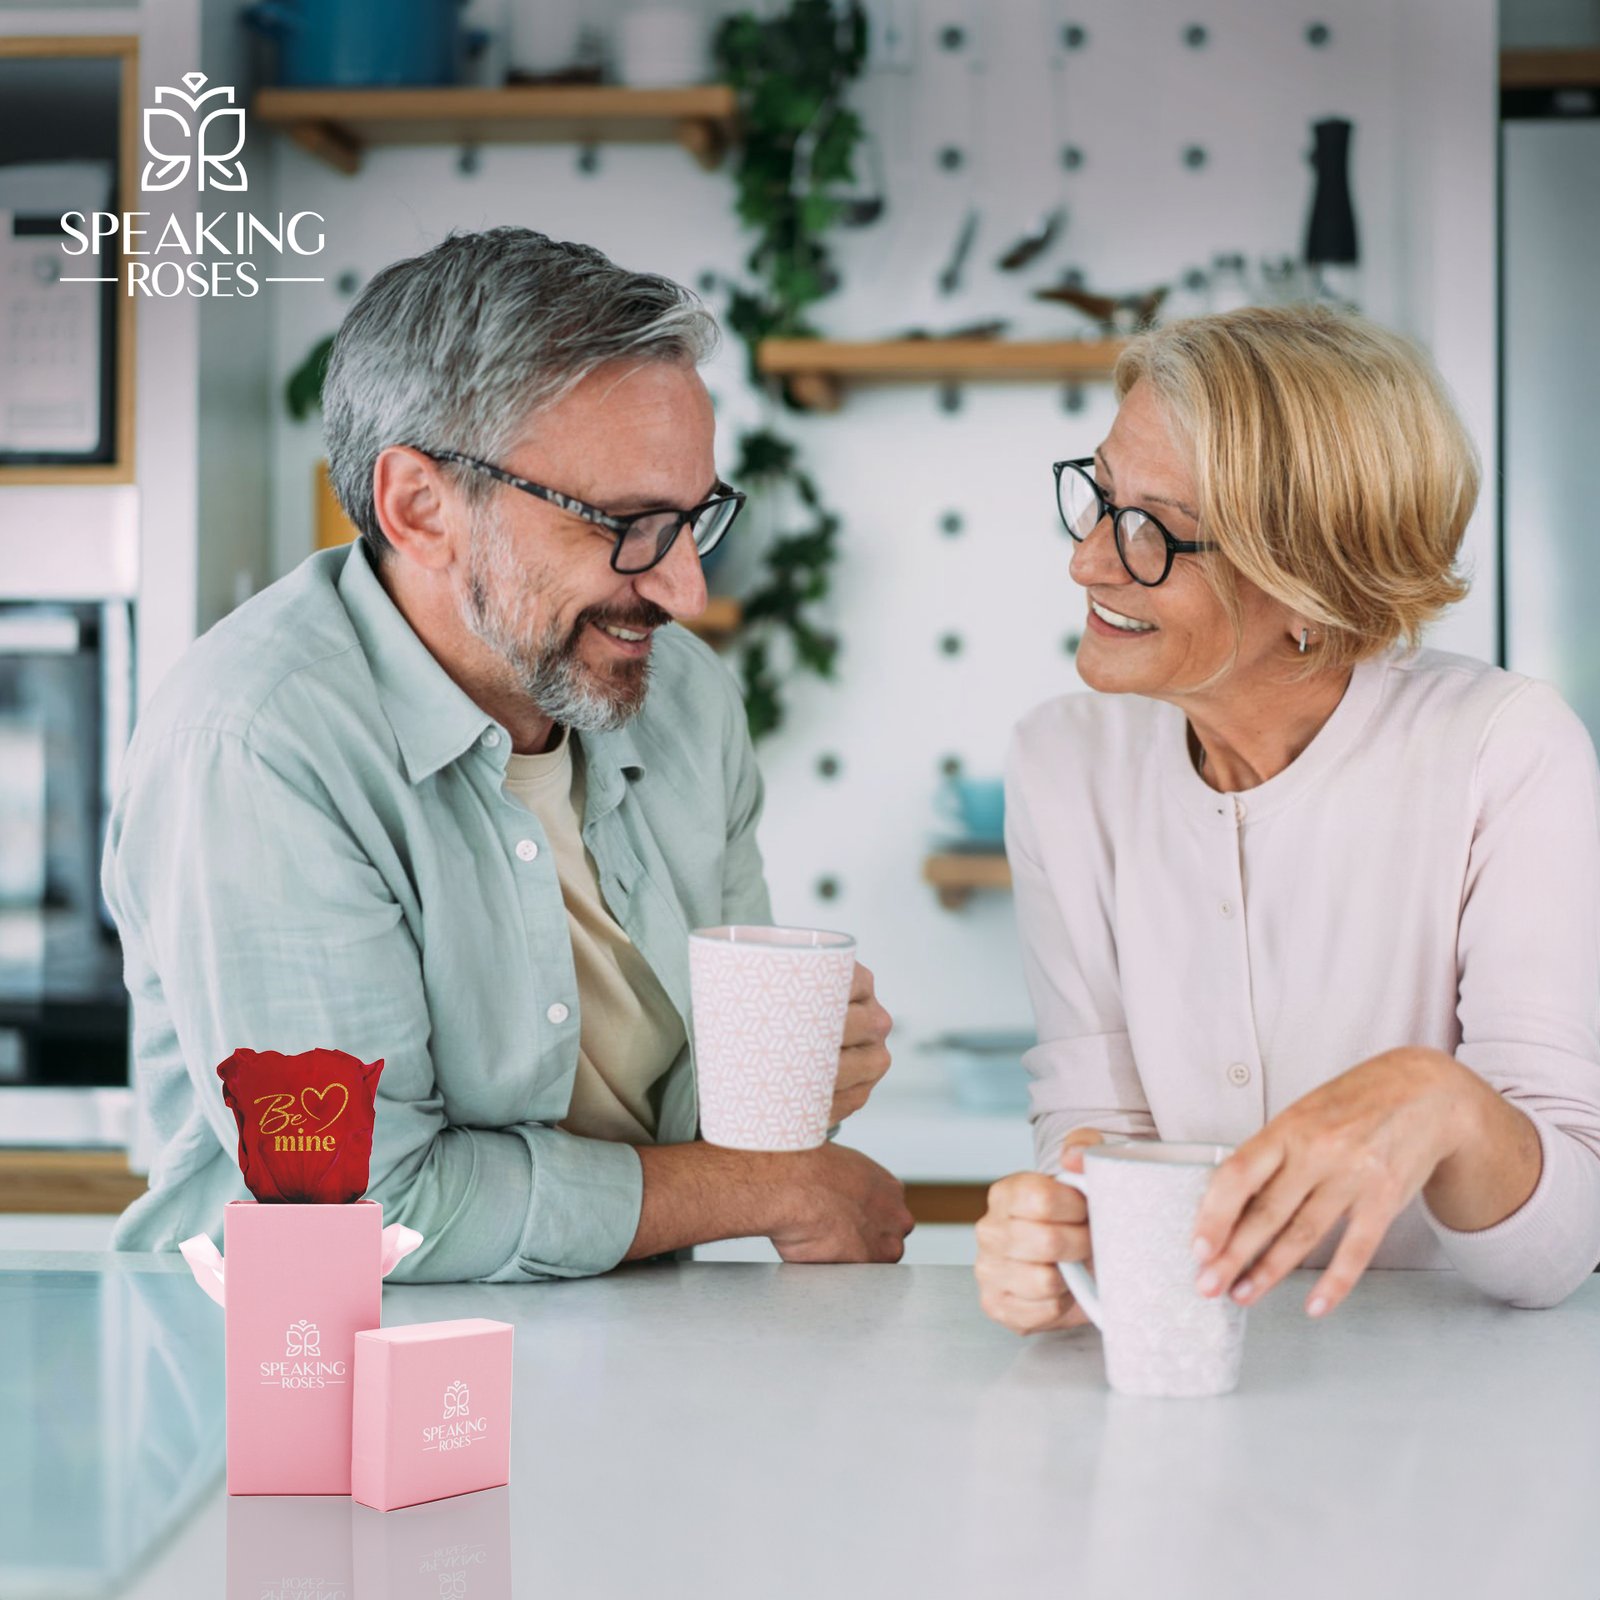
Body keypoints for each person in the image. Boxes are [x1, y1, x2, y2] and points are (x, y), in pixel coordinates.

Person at [104, 227, 913, 1280]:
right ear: (420, 507)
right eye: (624, 524)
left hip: (622, 1361)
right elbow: (359, 1207)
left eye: (692, 518)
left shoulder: (685, 701)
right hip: (301, 1383)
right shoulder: (257, 748)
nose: (684, 592)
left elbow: (696, 1113)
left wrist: (797, 1068)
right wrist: (767, 1188)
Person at [975, 305, 1600, 1332]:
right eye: (1098, 496)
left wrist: (1438, 1102)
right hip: (1190, 1383)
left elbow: (1560, 1245)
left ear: (1308, 586)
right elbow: (1096, 1129)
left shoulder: (1503, 748)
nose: (1087, 560)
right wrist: (1061, 1233)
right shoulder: (1061, 762)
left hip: (1461, 1403)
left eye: (1152, 531)